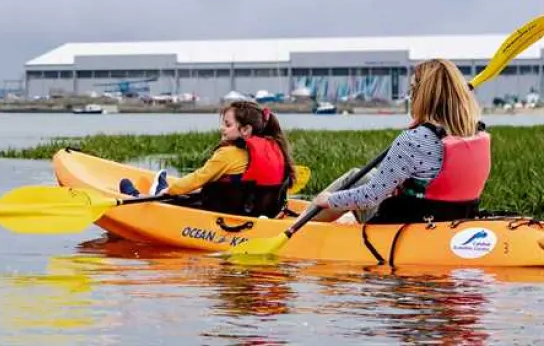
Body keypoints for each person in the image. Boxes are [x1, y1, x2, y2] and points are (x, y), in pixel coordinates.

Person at [312, 58, 491, 224]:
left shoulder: (414, 139)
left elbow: (370, 197)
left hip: (409, 225)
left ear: (422, 95)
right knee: (367, 175)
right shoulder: (477, 133)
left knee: (354, 177)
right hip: (456, 219)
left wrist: (329, 200)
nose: (410, 96)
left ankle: (303, 227)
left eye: (413, 89)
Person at [120, 100, 294, 218]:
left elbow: (198, 178)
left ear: (246, 130)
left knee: (173, 197)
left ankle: (139, 195)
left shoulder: (228, 154)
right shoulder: (276, 148)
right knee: (192, 195)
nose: (222, 128)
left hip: (224, 212)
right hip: (257, 212)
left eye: (227, 124)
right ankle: (161, 186)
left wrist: (170, 192)